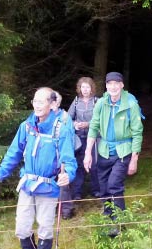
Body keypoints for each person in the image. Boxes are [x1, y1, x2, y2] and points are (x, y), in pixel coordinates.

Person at [0, 87, 77, 249]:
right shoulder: (27, 126)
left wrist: (68, 174)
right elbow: (14, 153)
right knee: (22, 227)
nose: (36, 105)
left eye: (41, 101)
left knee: (45, 227)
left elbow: (68, 155)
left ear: (52, 104)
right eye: (35, 101)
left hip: (49, 186)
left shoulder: (62, 127)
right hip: (27, 184)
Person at [83, 72, 143, 236]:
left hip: (123, 151)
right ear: (106, 86)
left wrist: (134, 159)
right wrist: (88, 153)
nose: (113, 87)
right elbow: (94, 127)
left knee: (114, 185)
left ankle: (119, 223)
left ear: (122, 85)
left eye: (117, 83)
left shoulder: (130, 104)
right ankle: (108, 218)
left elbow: (138, 133)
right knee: (103, 188)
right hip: (104, 151)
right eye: (110, 84)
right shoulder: (101, 103)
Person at [67, 77, 101, 206]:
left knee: (94, 164)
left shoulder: (97, 102)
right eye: (83, 87)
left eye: (87, 87)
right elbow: (68, 118)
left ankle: (96, 190)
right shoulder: (76, 101)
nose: (85, 90)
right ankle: (77, 193)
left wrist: (88, 124)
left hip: (94, 138)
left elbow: (101, 119)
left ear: (92, 88)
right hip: (79, 138)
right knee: (79, 165)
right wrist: (75, 124)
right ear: (79, 88)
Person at [50, 91, 78, 220]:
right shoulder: (44, 117)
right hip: (49, 156)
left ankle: (67, 210)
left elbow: (69, 138)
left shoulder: (65, 118)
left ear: (57, 103)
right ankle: (53, 208)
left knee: (63, 182)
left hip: (63, 154)